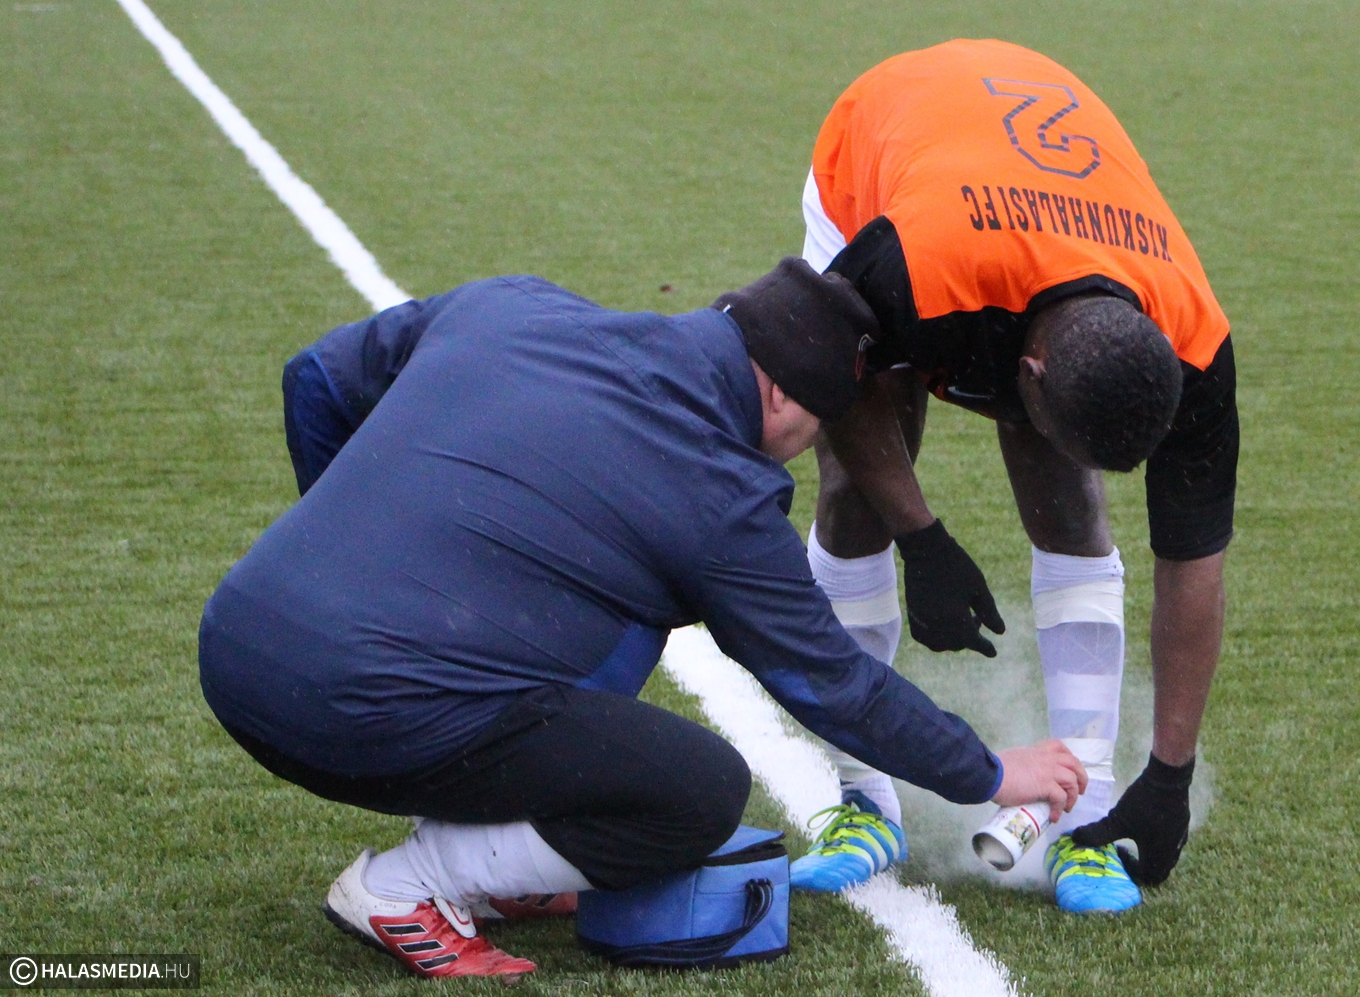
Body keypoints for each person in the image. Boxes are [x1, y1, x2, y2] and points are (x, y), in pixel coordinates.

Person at [199, 260, 1088, 980]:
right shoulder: (719, 492)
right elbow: (833, 683)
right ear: (782, 398)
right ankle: (410, 885)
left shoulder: (513, 304)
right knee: (695, 790)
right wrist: (989, 770)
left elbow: (314, 378)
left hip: (235, 645)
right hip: (347, 711)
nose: (814, 443)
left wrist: (346, 549)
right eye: (822, 423)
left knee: (591, 646)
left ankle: (502, 850)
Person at [788, 39, 1238, 914]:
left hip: (1036, 206)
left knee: (1068, 504)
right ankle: (861, 798)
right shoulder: (911, 266)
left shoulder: (1195, 343)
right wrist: (921, 536)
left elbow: (1194, 563)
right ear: (1022, 375)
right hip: (885, 155)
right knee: (854, 494)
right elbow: (838, 380)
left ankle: (1087, 809)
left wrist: (1170, 773)